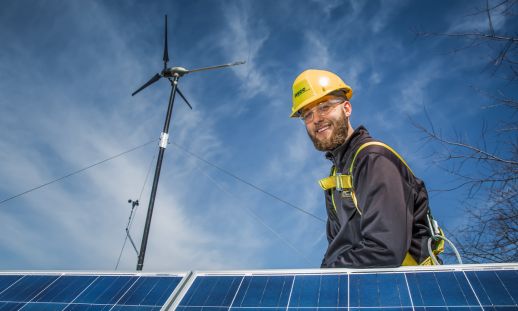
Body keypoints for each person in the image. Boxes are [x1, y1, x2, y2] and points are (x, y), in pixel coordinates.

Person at [291, 69, 442, 268]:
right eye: (307, 115)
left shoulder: (373, 158)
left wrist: (326, 284)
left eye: (325, 107)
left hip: (410, 289)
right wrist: (321, 284)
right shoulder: (335, 180)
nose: (316, 119)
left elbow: (384, 249)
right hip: (364, 290)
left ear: (346, 109)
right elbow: (337, 250)